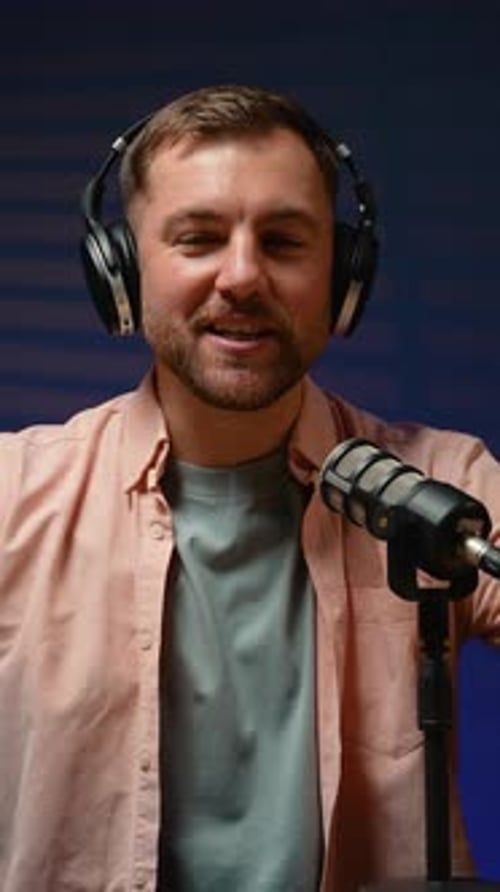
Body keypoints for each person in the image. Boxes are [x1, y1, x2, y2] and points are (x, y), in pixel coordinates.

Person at [0, 84, 499, 892]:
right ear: (121, 269)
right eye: (198, 239)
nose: (242, 276)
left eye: (284, 241)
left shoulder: (444, 488)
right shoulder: (11, 498)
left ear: (343, 275)